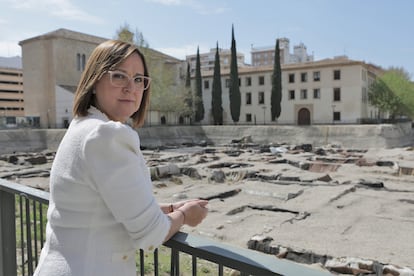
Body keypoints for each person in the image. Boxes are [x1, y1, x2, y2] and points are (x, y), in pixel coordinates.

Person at [33, 40, 209, 276]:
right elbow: (151, 234)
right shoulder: (106, 135)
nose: (131, 87)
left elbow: (101, 204)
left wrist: (168, 208)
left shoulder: (82, 126)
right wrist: (186, 215)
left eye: (139, 79)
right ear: (94, 81)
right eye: (119, 76)